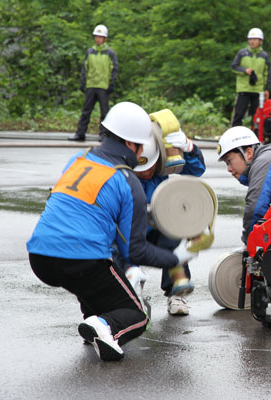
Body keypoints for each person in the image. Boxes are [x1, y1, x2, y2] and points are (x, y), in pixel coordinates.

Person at [27, 102, 197, 361]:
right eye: (140, 146)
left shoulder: (78, 160)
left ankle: (92, 324)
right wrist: (175, 258)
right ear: (131, 145)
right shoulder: (128, 181)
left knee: (94, 283)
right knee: (137, 316)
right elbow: (135, 250)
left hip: (40, 257)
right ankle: (105, 326)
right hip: (82, 258)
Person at [118, 129, 206, 316]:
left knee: (174, 232)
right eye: (141, 170)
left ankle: (177, 291)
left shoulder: (165, 162)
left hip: (159, 225)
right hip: (129, 229)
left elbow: (197, 170)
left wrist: (189, 148)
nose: (147, 172)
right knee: (118, 249)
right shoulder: (121, 171)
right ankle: (127, 296)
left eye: (151, 167)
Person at [69, 25, 118, 141]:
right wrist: (83, 82)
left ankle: (104, 135)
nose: (98, 39)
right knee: (86, 111)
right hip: (91, 85)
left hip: (103, 87)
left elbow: (114, 69)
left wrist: (111, 83)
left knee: (104, 113)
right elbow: (84, 68)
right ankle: (80, 133)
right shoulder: (90, 51)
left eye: (101, 37)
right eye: (96, 37)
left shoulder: (110, 53)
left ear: (105, 39)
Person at [231, 28, 271, 127]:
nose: (252, 41)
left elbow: (268, 73)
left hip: (258, 90)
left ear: (260, 41)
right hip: (243, 89)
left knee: (257, 116)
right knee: (239, 114)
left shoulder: (264, 56)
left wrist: (266, 89)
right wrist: (244, 70)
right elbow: (234, 67)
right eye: (250, 39)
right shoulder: (242, 53)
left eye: (255, 39)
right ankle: (234, 136)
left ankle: (256, 137)